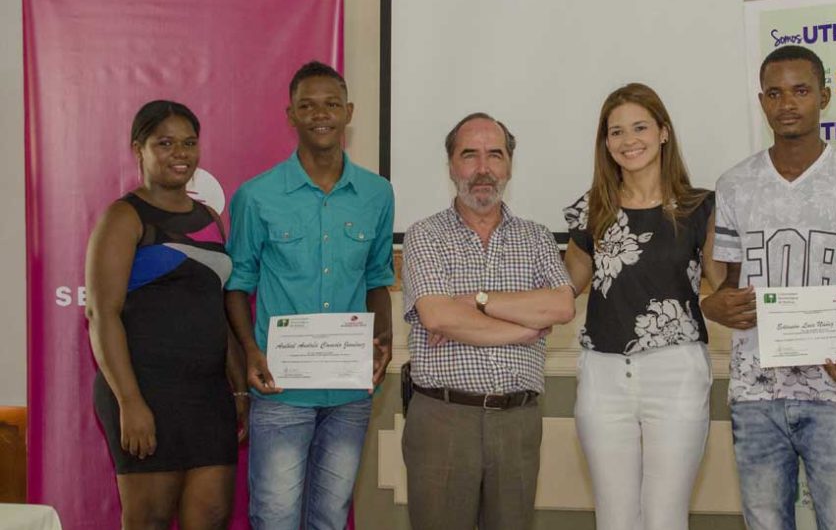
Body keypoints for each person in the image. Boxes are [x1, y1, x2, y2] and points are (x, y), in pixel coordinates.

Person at [701, 44, 836, 529]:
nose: (787, 103)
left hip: (834, 389)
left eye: (800, 90)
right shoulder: (734, 185)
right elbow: (724, 286)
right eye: (774, 93)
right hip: (755, 392)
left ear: (824, 96)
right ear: (762, 101)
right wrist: (716, 306)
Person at [224, 61, 395, 529]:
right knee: (275, 516)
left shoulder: (377, 194)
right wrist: (251, 350)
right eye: (307, 106)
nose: (321, 115)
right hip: (281, 391)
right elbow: (238, 286)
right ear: (290, 115)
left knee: (330, 517)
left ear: (349, 112)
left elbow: (379, 278)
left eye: (331, 104)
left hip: (349, 391)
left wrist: (385, 340)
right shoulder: (256, 196)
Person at [400, 112, 576, 530]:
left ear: (509, 165)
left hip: (518, 422)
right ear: (450, 165)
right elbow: (436, 315)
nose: (483, 169)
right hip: (443, 418)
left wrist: (477, 302)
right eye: (469, 155)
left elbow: (561, 307)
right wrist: (525, 329)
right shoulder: (424, 235)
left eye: (494, 155)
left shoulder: (536, 238)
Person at [562, 83, 723, 530]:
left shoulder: (700, 207)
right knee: (614, 520)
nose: (628, 141)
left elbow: (724, 285)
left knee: (665, 518)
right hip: (603, 374)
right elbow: (564, 289)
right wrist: (487, 300)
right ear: (605, 142)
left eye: (639, 127)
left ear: (663, 132)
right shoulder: (590, 209)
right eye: (616, 132)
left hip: (676, 373)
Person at [86, 99, 245, 529]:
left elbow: (217, 307)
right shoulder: (124, 217)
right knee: (149, 520)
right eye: (166, 143)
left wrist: (240, 387)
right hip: (147, 392)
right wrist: (130, 402)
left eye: (190, 143)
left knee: (211, 517)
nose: (181, 153)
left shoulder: (212, 218)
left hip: (209, 398)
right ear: (139, 148)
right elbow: (102, 315)